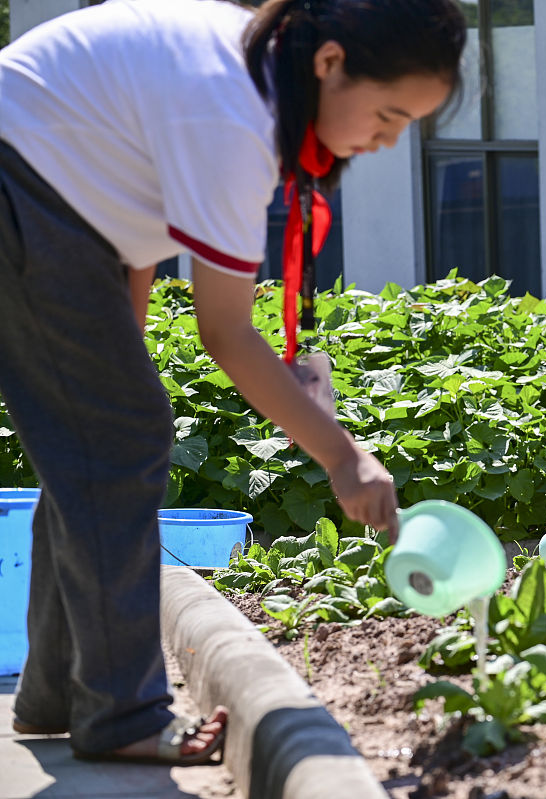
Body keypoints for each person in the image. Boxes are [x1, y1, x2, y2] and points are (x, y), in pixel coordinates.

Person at [0, 0, 464, 765]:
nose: (387, 141)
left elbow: (131, 214)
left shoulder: (248, 70)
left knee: (101, 440)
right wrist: (344, 457)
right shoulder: (235, 115)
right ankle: (120, 714)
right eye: (387, 115)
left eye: (406, 126)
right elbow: (226, 332)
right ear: (330, 63)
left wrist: (119, 364)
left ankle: (62, 692)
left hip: (48, 189)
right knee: (119, 438)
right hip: (24, 184)